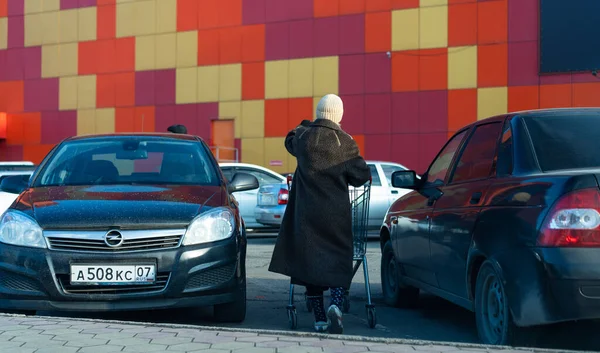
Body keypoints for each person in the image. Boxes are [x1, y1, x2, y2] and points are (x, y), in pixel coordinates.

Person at [268, 94, 371, 334]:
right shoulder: (345, 141)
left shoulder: (304, 137)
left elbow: (289, 139)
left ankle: (320, 318)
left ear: (318, 112)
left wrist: (305, 124)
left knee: (310, 264)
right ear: (339, 115)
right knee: (338, 258)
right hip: (336, 215)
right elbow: (360, 175)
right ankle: (336, 303)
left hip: (305, 214)